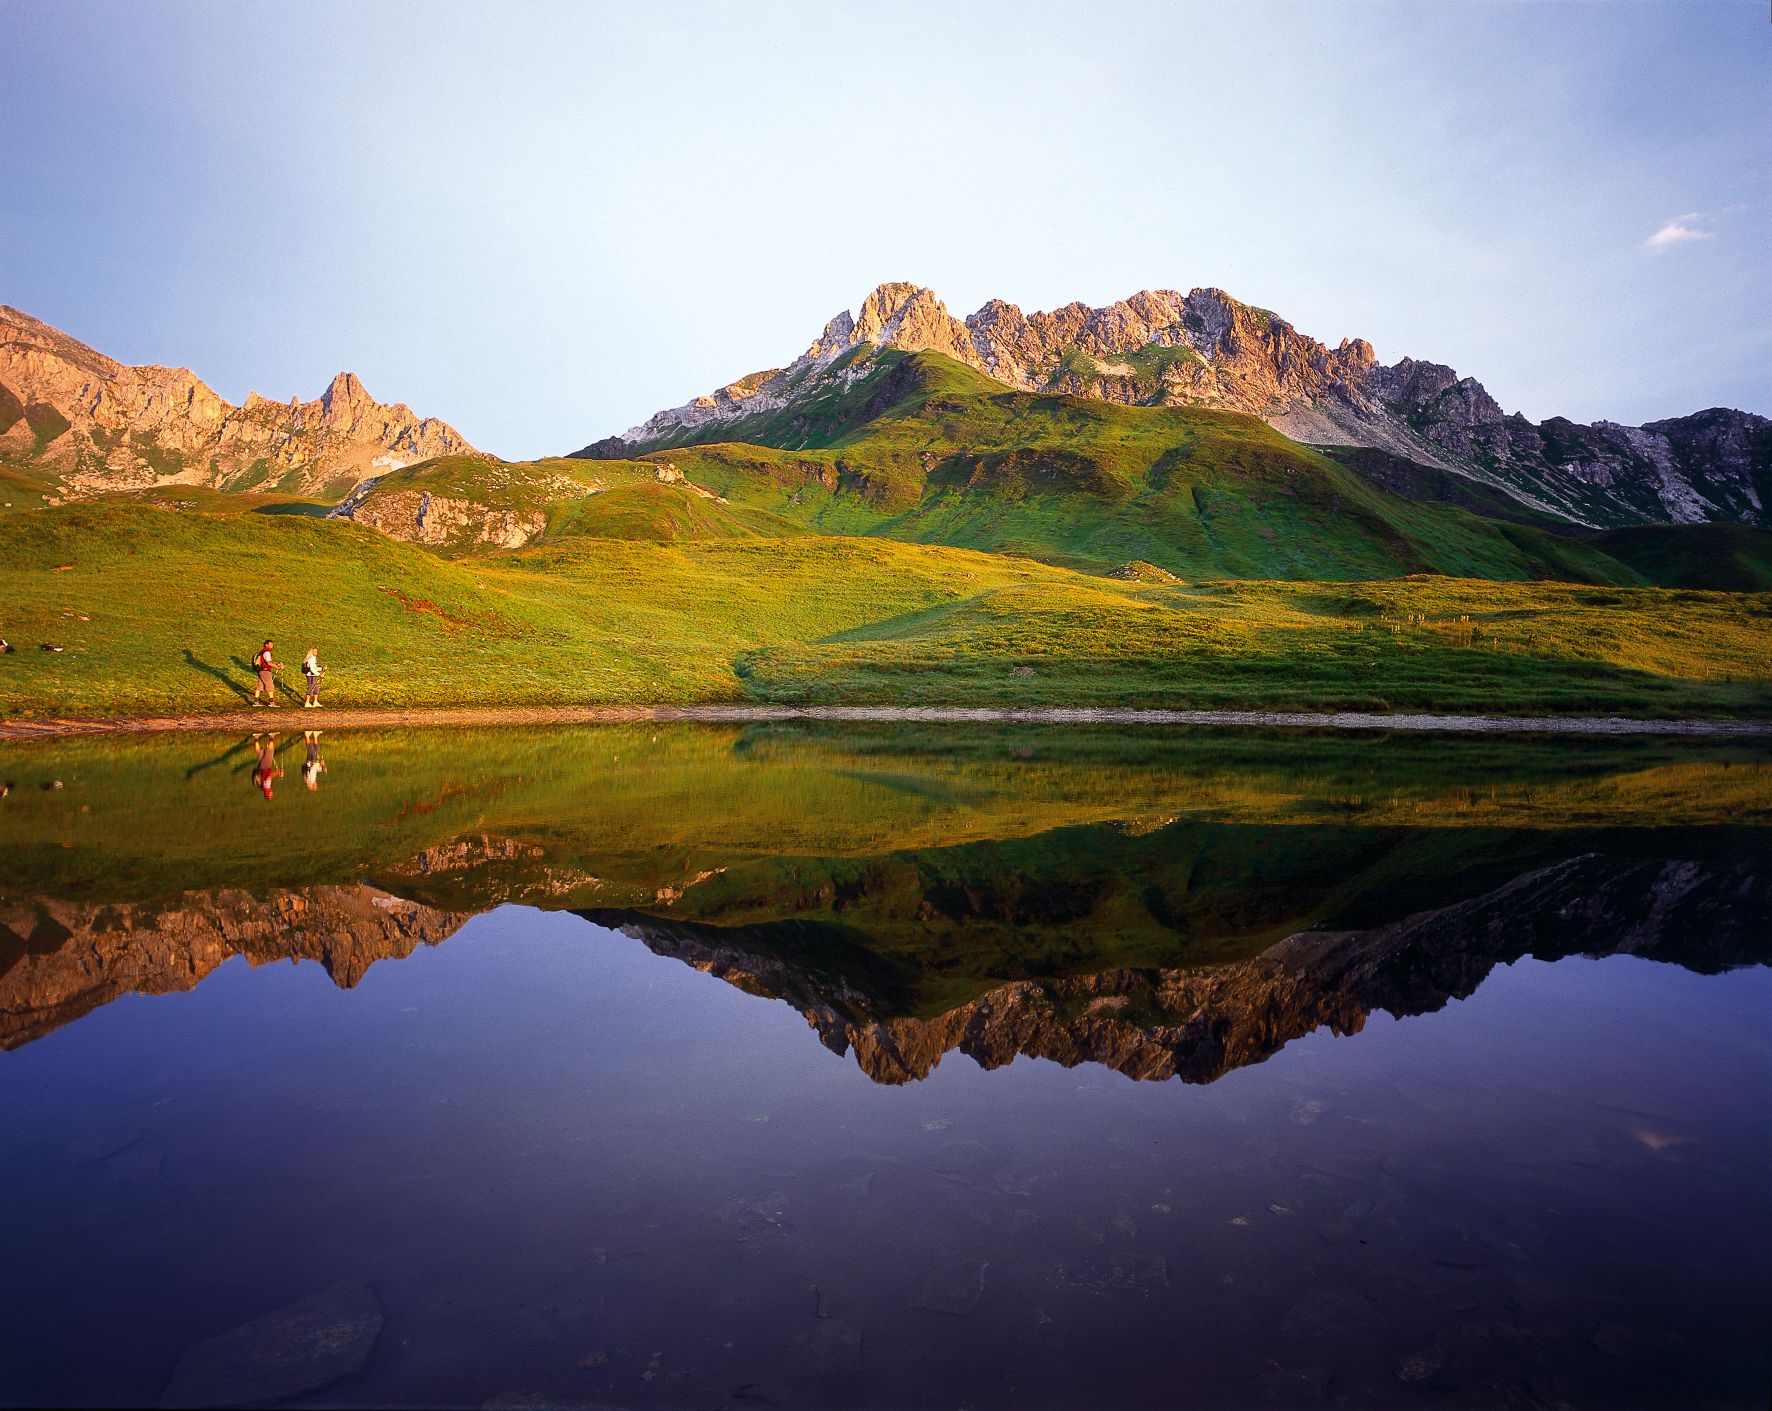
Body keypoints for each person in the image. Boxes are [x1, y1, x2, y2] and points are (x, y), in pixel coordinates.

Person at [250, 733, 283, 800]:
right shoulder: (262, 787)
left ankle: (271, 736)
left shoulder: (267, 787)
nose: (272, 793)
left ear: (268, 794)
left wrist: (278, 773)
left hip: (266, 766)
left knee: (270, 751)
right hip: (260, 768)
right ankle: (256, 737)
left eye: (271, 795)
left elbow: (269, 775)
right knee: (259, 752)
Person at [251, 639, 281, 707]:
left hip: (260, 670)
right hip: (265, 671)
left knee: (260, 686)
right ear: (266, 645)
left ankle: (255, 702)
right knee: (270, 686)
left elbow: (265, 662)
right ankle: (272, 702)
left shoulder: (262, 652)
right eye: (270, 644)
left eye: (272, 644)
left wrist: (276, 664)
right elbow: (268, 663)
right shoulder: (267, 652)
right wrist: (277, 667)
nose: (272, 646)